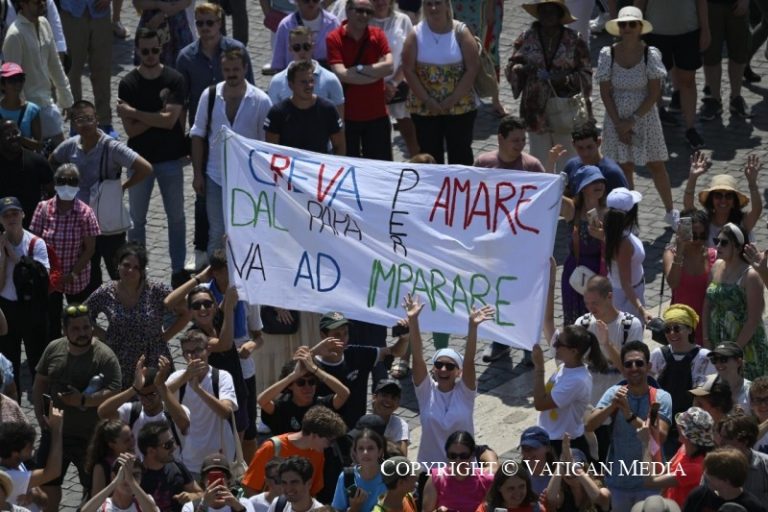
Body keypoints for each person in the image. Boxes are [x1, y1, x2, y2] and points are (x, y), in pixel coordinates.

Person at [175, 1, 256, 272]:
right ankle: (201, 250)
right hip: (205, 137)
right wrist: (184, 142)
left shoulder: (236, 50)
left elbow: (250, 89)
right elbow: (182, 101)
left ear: (220, 23)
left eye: (210, 22)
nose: (205, 28)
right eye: (200, 23)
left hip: (237, 141)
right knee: (203, 196)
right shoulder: (186, 57)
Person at [49, 100, 152, 290]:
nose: (85, 124)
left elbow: (145, 168)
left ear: (97, 119)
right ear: (73, 124)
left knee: (117, 271)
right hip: (80, 224)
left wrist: (124, 186)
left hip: (108, 225)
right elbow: (52, 161)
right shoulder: (70, 146)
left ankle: (126, 304)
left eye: (89, 118)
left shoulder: (112, 147)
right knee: (89, 274)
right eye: (80, 120)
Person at [31, 303, 122, 512]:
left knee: (93, 490)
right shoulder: (54, 348)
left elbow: (115, 391)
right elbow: (40, 383)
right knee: (47, 486)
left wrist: (83, 401)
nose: (82, 333)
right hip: (55, 434)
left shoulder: (105, 356)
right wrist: (40, 414)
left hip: (91, 437)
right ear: (65, 330)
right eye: (75, 328)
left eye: (86, 327)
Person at [117, 28, 190, 287]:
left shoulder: (175, 79)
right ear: (137, 50)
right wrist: (159, 116)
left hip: (170, 159)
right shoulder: (128, 83)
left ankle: (178, 269)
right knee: (137, 220)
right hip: (139, 161)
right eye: (145, 51)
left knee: (176, 217)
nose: (150, 55)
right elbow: (131, 130)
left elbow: (170, 122)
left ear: (162, 48)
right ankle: (138, 270)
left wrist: (135, 112)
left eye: (155, 50)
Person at [595, 7, 676, 225]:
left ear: (640, 27)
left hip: (644, 116)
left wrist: (632, 121)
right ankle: (630, 217)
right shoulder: (608, 54)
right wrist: (619, 124)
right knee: (625, 167)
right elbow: (605, 93)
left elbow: (654, 93)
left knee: (656, 164)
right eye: (623, 24)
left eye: (632, 24)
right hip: (616, 116)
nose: (627, 28)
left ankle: (671, 212)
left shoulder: (650, 54)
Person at [190, 47, 272, 258]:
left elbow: (266, 145)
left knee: (247, 231)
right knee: (216, 233)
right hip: (215, 176)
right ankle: (216, 276)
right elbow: (197, 135)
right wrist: (197, 174)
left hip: (248, 180)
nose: (231, 74)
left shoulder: (261, 100)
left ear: (245, 68)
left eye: (236, 69)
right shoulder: (209, 96)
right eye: (227, 70)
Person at [85, 242, 189, 389]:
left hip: (153, 359)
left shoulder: (156, 290)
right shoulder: (105, 292)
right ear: (118, 265)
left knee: (156, 399)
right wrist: (104, 335)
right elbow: (82, 315)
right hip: (119, 359)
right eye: (126, 265)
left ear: (142, 271)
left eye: (136, 267)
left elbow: (185, 313)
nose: (130, 270)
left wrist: (165, 337)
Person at [403, 294, 493, 464]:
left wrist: (472, 327)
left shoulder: (465, 393)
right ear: (433, 369)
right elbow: (418, 357)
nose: (443, 369)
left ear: (459, 372)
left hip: (463, 470)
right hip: (430, 470)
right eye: (439, 364)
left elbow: (469, 360)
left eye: (450, 366)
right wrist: (413, 321)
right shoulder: (426, 391)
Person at [585, 340, 673, 511]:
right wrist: (612, 406)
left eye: (639, 363)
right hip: (618, 483)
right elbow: (589, 425)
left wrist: (629, 415)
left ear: (648, 366)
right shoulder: (614, 393)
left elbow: (660, 437)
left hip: (651, 483)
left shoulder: (661, 397)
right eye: (628, 364)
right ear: (623, 369)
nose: (634, 368)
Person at [506, 0, 591, 164]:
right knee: (540, 160)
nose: (547, 15)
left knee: (566, 159)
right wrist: (522, 70)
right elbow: (511, 66)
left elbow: (586, 73)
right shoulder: (527, 37)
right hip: (534, 109)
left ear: (560, 14)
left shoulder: (574, 40)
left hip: (565, 109)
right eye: (543, 11)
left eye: (552, 11)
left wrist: (564, 79)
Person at [401, 0, 478, 164]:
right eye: (429, 4)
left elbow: (472, 68)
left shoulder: (461, 32)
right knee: (429, 154)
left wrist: (453, 99)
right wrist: (428, 100)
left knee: (461, 154)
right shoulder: (415, 34)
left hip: (460, 106)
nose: (433, 8)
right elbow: (408, 70)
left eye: (438, 3)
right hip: (425, 108)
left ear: (447, 5)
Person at [30, 163, 100, 341]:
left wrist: (72, 274)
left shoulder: (85, 213)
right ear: (55, 183)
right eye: (62, 180)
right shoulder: (43, 208)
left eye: (72, 181)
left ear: (78, 184)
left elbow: (90, 249)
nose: (67, 184)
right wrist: (48, 272)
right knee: (51, 320)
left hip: (76, 278)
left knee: (78, 319)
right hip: (49, 278)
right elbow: (34, 243)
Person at [310, 311, 408, 430]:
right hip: (326, 433)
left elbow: (395, 351)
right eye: (337, 335)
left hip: (356, 431)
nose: (343, 339)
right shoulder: (312, 365)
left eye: (346, 333)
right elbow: (293, 373)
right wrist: (313, 352)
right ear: (323, 335)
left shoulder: (356, 353)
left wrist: (404, 339)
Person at [635, 0, 709, 149]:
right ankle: (655, 122)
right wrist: (636, 31)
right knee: (654, 81)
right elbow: (639, 2)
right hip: (655, 32)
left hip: (688, 30)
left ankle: (690, 128)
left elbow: (701, 1)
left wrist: (705, 29)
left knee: (688, 80)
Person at [327, 0, 394, 160]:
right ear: (348, 10)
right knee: (350, 166)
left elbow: (390, 67)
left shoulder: (378, 34)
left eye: (368, 12)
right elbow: (341, 74)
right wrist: (375, 74)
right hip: (347, 117)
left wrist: (358, 69)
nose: (364, 15)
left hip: (377, 115)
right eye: (359, 10)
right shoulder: (334, 38)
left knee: (380, 167)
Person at [167, 331, 239, 477]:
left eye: (198, 350)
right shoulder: (177, 378)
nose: (194, 356)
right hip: (187, 458)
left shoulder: (222, 377)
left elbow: (226, 412)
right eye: (188, 352)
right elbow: (161, 394)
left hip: (220, 458)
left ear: (208, 350)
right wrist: (186, 376)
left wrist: (198, 390)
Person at [2, 0, 73, 146]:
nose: (42, 4)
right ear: (23, 3)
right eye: (36, 2)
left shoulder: (45, 24)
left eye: (43, 1)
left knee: (58, 152)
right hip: (28, 109)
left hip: (46, 103)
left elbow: (55, 65)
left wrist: (66, 99)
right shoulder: (14, 35)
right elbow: (12, 81)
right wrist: (25, 116)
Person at [703, 223, 768, 380]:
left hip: (746, 346)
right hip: (719, 341)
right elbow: (707, 304)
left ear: (738, 247)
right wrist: (706, 338)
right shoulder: (716, 266)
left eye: (724, 243)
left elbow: (753, 320)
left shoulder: (750, 275)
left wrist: (733, 351)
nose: (718, 246)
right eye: (716, 241)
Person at [0, 196, 51, 392]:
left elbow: (42, 277)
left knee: (38, 364)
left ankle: (43, 406)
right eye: (6, 215)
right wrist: (3, 258)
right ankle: (12, 406)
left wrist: (14, 255)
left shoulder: (36, 244)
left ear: (22, 215)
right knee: (9, 366)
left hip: (32, 309)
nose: (11, 218)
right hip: (7, 310)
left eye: (14, 213)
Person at [649, 304, 715, 455]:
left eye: (677, 328)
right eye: (667, 329)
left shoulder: (705, 357)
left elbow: (708, 393)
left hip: (691, 429)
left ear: (690, 329)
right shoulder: (658, 354)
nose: (672, 333)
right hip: (662, 424)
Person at [532, 325, 607, 458]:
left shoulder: (577, 380)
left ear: (573, 351)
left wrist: (539, 368)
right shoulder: (564, 367)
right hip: (551, 437)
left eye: (559, 343)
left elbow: (540, 403)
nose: (554, 345)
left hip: (562, 444)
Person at [241, 405, 347, 496]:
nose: (331, 445)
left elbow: (312, 491)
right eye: (330, 440)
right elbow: (249, 487)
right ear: (314, 435)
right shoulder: (271, 448)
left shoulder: (318, 454)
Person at [97, 356, 190, 458]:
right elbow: (103, 412)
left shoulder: (174, 411)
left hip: (171, 466)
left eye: (151, 395)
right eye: (141, 395)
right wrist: (134, 388)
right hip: (141, 467)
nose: (145, 400)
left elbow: (184, 424)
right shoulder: (132, 411)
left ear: (160, 391)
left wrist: (161, 385)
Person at [637, 406, 716, 508]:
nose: (678, 425)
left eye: (682, 425)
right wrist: (654, 435)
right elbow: (660, 471)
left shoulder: (695, 468)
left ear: (687, 435)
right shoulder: (684, 448)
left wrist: (645, 443)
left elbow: (650, 481)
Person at [58, 0, 116, 138]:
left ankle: (104, 121)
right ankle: (76, 123)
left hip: (101, 11)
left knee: (102, 68)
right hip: (71, 11)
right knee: (72, 70)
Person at [559, 165, 607, 326]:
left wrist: (603, 236)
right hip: (575, 270)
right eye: (593, 182)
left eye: (601, 181)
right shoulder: (572, 210)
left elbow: (620, 245)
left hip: (600, 271)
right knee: (574, 321)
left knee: (598, 321)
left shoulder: (608, 212)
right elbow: (552, 194)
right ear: (582, 187)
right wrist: (552, 162)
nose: (599, 185)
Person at [264, 60, 345, 155]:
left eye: (311, 81)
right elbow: (272, 151)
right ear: (291, 85)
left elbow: (340, 146)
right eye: (303, 82)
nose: (309, 86)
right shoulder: (277, 113)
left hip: (320, 164)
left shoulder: (328, 109)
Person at [258, 351, 349, 435]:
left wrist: (315, 369)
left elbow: (344, 393)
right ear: (290, 385)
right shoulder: (282, 407)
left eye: (311, 382)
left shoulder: (323, 404)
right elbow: (262, 400)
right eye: (301, 383)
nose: (307, 387)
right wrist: (293, 375)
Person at [662, 207, 717, 345]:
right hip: (681, 325)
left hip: (708, 324)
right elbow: (673, 283)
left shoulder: (713, 256)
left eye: (703, 236)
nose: (698, 240)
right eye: (694, 235)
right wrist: (680, 251)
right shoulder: (671, 254)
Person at [684, 155, 763, 245]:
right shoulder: (705, 221)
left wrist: (752, 183)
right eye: (718, 195)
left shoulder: (742, 223)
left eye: (728, 196)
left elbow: (757, 210)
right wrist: (692, 177)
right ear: (711, 199)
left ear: (734, 201)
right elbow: (688, 209)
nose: (723, 200)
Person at [267, 27, 345, 114]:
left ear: (313, 47)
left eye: (306, 46)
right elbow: (273, 116)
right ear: (290, 49)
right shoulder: (277, 81)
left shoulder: (330, 80)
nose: (302, 52)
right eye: (297, 47)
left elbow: (339, 117)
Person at [698, 0, 752, 121]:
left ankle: (736, 98)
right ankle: (715, 99)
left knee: (738, 52)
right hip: (710, 5)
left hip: (737, 4)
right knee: (711, 52)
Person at [604, 187, 649, 323]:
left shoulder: (613, 232)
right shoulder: (623, 243)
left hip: (627, 292)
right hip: (627, 298)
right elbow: (626, 283)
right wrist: (641, 309)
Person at [0, 413, 64, 509]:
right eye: (29, 447)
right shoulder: (11, 477)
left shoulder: (18, 464)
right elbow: (53, 472)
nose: (33, 448)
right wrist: (57, 431)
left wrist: (35, 496)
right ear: (15, 454)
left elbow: (44, 500)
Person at [137, 421, 203, 512]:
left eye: (173, 441)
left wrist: (192, 497)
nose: (174, 447)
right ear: (151, 451)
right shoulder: (137, 476)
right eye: (168, 445)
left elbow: (201, 494)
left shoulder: (177, 466)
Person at [421, 431, 495, 512]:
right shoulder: (436, 478)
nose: (458, 460)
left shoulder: (486, 480)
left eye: (463, 456)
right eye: (453, 456)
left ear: (472, 455)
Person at [0, 120, 53, 230]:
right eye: (7, 135)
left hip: (32, 227)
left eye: (16, 132)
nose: (13, 137)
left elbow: (52, 191)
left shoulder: (37, 161)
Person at [682, 447, 766, 512]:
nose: (706, 475)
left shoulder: (753, 507)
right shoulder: (698, 496)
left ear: (726, 480)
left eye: (711, 473)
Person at [544, 434, 611, 511]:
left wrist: (575, 468)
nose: (570, 471)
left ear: (585, 469)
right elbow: (550, 499)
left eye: (575, 466)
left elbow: (598, 498)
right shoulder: (562, 496)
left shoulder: (603, 490)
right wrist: (562, 462)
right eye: (565, 468)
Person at [712, 413, 768, 503]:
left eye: (727, 438)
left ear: (745, 441)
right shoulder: (713, 467)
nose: (721, 443)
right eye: (721, 437)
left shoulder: (765, 466)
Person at [271, 0, 339, 71]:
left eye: (315, 0)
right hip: (294, 76)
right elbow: (278, 64)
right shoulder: (285, 26)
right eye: (306, 1)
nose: (311, 3)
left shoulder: (333, 23)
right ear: (296, 1)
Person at [561, 123, 629, 194]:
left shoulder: (612, 173)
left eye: (589, 147)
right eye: (580, 148)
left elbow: (625, 199)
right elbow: (563, 193)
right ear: (573, 145)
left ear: (598, 142)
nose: (585, 153)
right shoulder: (571, 166)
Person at [331, 429, 387, 512]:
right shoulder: (347, 477)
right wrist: (354, 508)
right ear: (355, 453)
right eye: (361, 448)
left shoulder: (390, 477)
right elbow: (337, 509)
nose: (365, 453)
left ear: (380, 452)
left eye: (370, 448)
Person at [81, 455, 160, 512]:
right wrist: (114, 483)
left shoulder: (143, 503)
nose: (128, 479)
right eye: (124, 474)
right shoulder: (102, 505)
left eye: (136, 475)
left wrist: (132, 482)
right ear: (113, 476)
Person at [181, 454, 255, 512]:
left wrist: (239, 509)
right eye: (211, 476)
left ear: (228, 480)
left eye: (221, 476)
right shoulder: (191, 507)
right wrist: (203, 506)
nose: (216, 482)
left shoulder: (243, 504)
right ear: (203, 480)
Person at [131, 0, 193, 67]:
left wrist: (163, 15)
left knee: (181, 67)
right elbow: (136, 2)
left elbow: (187, 1)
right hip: (151, 25)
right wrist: (158, 4)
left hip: (177, 27)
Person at [84, 419, 135, 498]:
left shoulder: (135, 460)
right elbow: (96, 499)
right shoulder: (102, 467)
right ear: (112, 445)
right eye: (126, 441)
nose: (132, 442)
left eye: (132, 436)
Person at [473, 116, 545, 171]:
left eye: (523, 140)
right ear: (500, 139)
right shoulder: (482, 163)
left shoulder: (533, 167)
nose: (521, 144)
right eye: (515, 140)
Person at [0, 63, 41, 151]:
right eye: (12, 80)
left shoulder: (32, 110)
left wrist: (17, 138)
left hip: (23, 159)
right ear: (2, 85)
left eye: (20, 79)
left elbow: (38, 146)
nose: (17, 84)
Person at [476, 463, 541, 512]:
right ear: (499, 488)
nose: (517, 493)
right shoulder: (486, 509)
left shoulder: (535, 508)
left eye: (521, 486)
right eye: (511, 488)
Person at [708, 342, 752, 411]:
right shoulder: (709, 388)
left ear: (739, 362)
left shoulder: (751, 390)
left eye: (723, 359)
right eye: (715, 359)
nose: (718, 364)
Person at [371, 380, 409, 456]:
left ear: (398, 404)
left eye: (393, 398)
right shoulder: (362, 420)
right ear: (374, 397)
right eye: (384, 395)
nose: (389, 400)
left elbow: (402, 458)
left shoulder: (400, 425)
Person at [517, 426, 556, 495]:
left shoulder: (559, 476)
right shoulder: (516, 477)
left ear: (547, 448)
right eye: (524, 448)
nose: (528, 452)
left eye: (533, 447)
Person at [748, 377, 768, 454]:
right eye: (758, 400)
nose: (763, 405)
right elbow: (745, 442)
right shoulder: (746, 427)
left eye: (767, 399)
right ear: (751, 403)